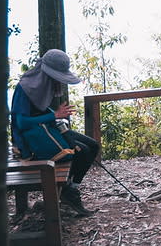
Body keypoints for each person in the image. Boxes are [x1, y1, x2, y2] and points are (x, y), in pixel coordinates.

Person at [10, 49, 100, 217]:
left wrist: (54, 114)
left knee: (93, 146)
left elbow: (39, 110)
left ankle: (71, 189)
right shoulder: (26, 87)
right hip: (28, 141)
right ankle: (68, 192)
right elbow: (21, 123)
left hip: (46, 128)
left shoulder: (43, 84)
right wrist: (54, 115)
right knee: (81, 151)